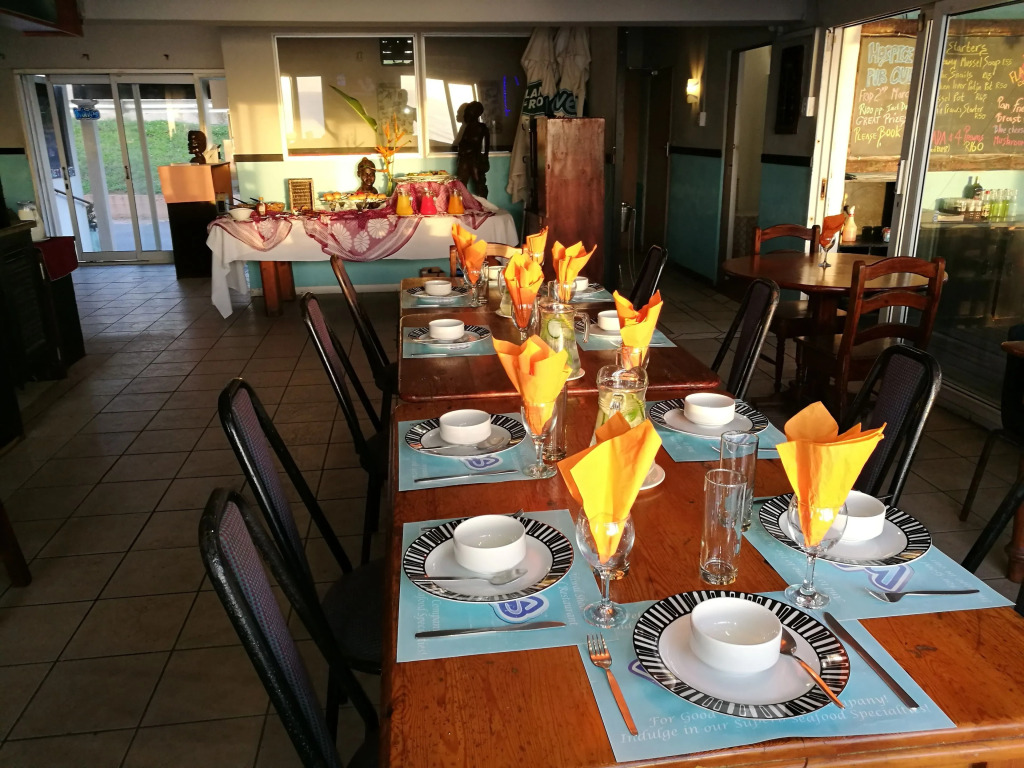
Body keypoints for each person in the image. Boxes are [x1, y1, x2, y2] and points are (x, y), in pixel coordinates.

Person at [454, 101, 490, 198]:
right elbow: (462, 142)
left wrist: (485, 158)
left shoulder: (482, 127)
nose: (464, 115)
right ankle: (463, 202)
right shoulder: (467, 128)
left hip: (475, 159)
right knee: (461, 182)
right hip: (465, 158)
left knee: (479, 183)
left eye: (467, 112)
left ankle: (483, 203)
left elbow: (487, 146)